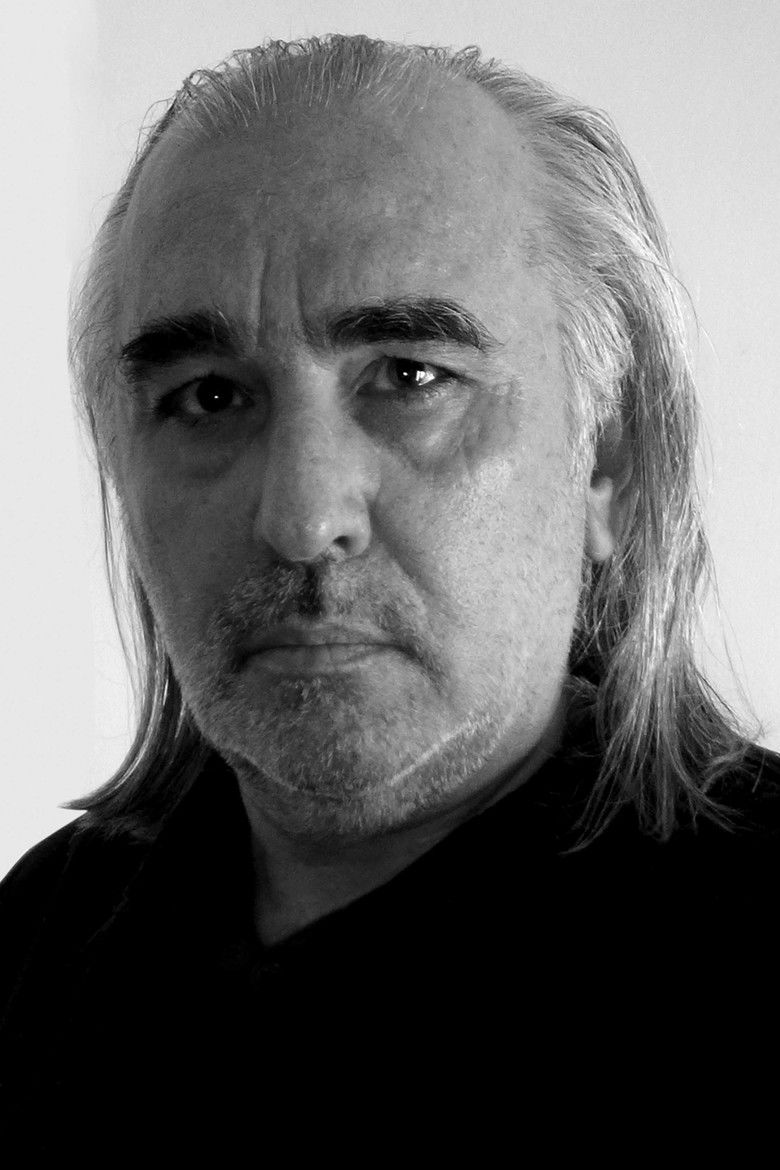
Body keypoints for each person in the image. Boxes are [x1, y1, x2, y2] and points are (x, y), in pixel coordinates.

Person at [1, 32, 778, 1147]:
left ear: (608, 462)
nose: (301, 517)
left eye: (411, 377)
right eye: (209, 396)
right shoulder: (45, 937)